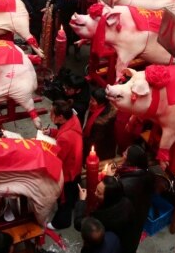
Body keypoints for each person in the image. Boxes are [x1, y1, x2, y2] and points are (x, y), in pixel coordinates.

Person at [44, 100, 83, 229]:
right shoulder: (73, 118)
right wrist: (51, 133)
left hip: (68, 171)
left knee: (64, 199)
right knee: (72, 193)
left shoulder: (65, 138)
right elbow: (62, 132)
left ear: (60, 117)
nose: (50, 115)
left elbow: (58, 157)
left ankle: (61, 221)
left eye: (52, 113)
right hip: (76, 164)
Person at [74, 176, 136, 253]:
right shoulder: (126, 202)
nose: (95, 193)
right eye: (96, 189)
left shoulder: (103, 217)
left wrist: (82, 201)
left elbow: (79, 224)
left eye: (99, 192)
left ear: (109, 197)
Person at [113, 145, 153, 253]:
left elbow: (117, 208)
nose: (122, 154)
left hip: (128, 227)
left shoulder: (127, 185)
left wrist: (109, 182)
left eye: (125, 154)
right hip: (137, 222)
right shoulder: (143, 173)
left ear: (130, 162)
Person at [82, 88, 117, 162]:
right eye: (91, 99)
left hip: (102, 150)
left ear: (101, 103)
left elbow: (95, 140)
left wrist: (81, 141)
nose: (90, 102)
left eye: (93, 101)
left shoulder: (102, 122)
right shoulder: (96, 108)